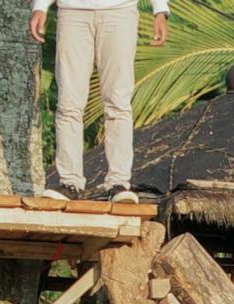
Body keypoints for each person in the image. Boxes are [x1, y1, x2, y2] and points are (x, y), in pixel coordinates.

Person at [28, 0, 170, 203]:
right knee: (69, 103)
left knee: (118, 102)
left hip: (119, 12)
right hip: (72, 13)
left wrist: (160, 10)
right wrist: (40, 7)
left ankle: (118, 183)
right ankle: (70, 182)